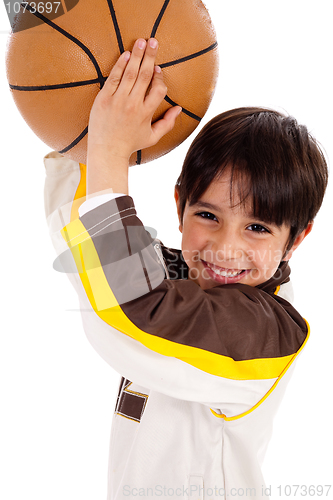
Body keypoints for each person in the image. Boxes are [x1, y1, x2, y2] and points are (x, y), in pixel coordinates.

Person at [44, 38, 328, 499]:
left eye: (257, 227)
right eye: (208, 216)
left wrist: (112, 153)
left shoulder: (265, 331)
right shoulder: (182, 277)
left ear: (296, 239)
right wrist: (84, 139)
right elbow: (87, 252)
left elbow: (131, 308)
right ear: (181, 206)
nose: (224, 248)